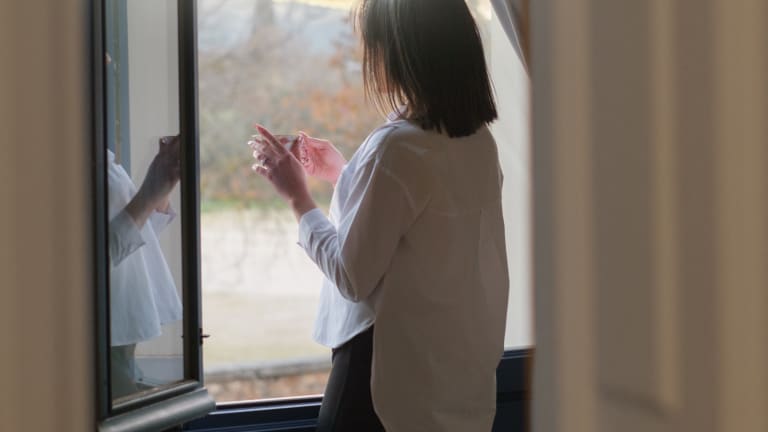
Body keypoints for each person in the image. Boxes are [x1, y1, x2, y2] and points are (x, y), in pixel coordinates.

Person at [249, 0, 508, 430]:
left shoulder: (397, 147)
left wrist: (297, 197)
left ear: (403, 49)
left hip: (379, 387)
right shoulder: (477, 141)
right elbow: (418, 226)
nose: (367, 56)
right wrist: (344, 173)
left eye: (373, 43)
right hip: (450, 381)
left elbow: (352, 276)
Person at [108, 136, 183, 399]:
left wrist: (163, 184)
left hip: (121, 334)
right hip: (99, 335)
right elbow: (87, 263)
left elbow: (138, 240)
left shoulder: (98, 158)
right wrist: (149, 196)